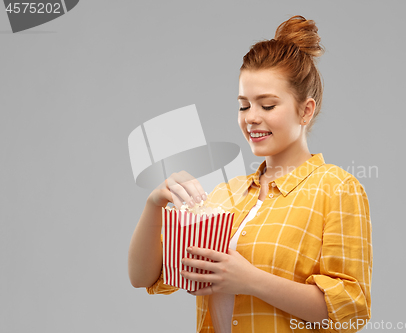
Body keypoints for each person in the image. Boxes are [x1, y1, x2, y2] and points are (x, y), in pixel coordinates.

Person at [128, 15, 372, 333]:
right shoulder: (225, 195)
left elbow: (352, 309)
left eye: (267, 106)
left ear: (305, 110)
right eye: (244, 106)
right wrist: (154, 204)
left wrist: (250, 280)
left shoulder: (337, 189)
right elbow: (143, 276)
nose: (252, 118)